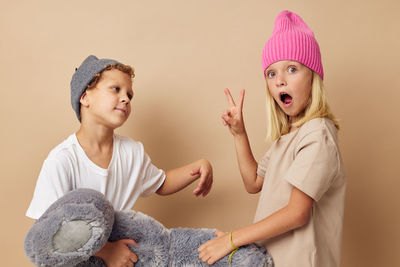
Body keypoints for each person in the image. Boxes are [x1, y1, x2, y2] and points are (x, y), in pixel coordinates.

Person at [26, 55, 213, 267]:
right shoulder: (62, 160)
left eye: (129, 95)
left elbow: (162, 183)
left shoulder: (132, 152)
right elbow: (45, 233)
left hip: (124, 254)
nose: (125, 98)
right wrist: (106, 251)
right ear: (85, 97)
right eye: (116, 89)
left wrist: (198, 167)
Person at [198, 10, 346, 267]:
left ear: (313, 76)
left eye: (292, 69)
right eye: (271, 73)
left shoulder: (318, 134)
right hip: (271, 260)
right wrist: (239, 133)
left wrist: (232, 240)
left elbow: (297, 213)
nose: (280, 81)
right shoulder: (287, 137)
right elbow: (254, 182)